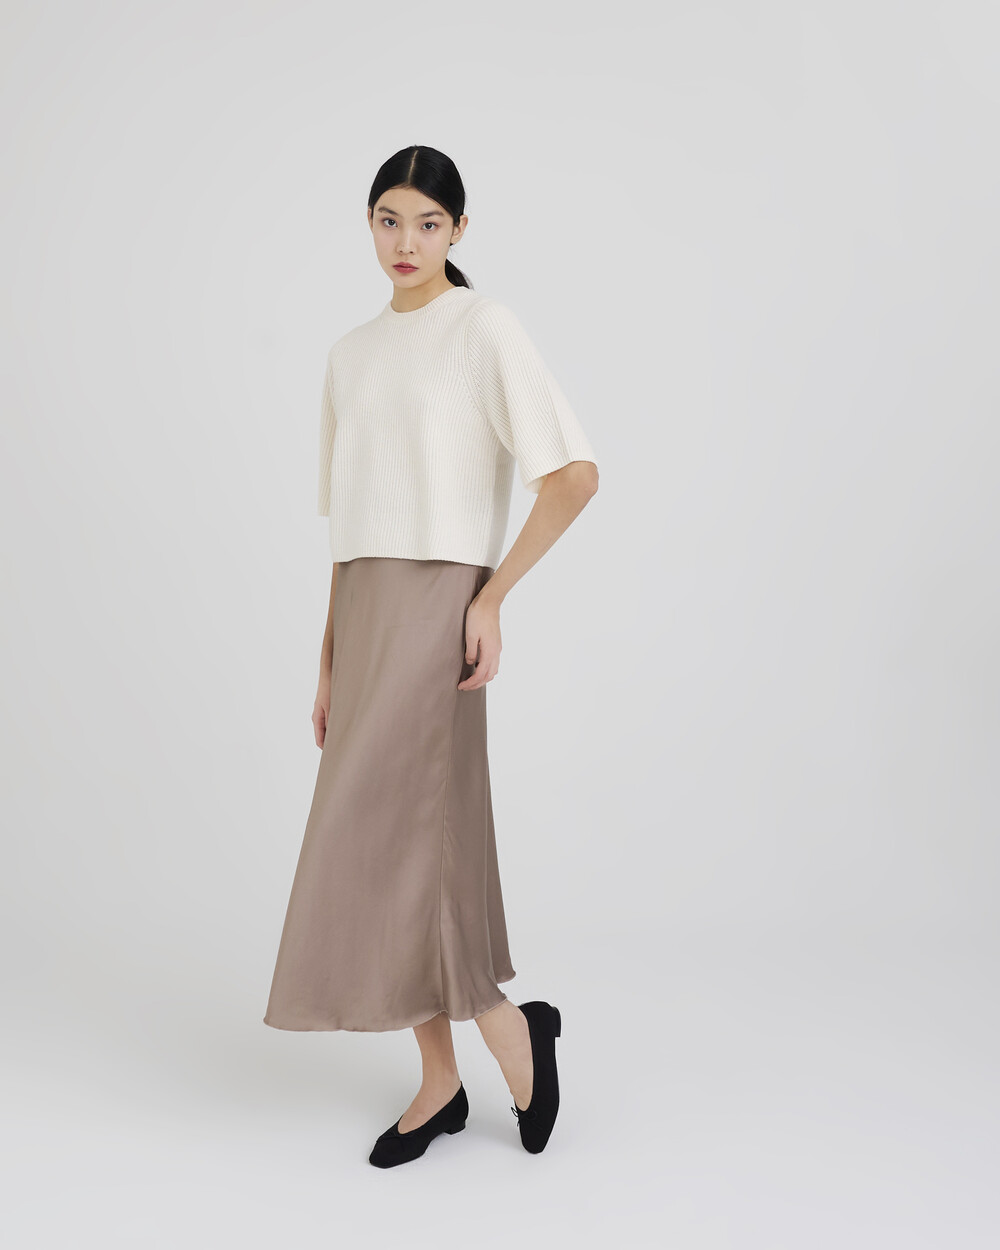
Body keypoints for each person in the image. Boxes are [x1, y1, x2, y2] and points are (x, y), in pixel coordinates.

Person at [263, 145, 599, 1168]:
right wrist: (328, 657)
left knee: (413, 834)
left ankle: (506, 1029)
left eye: (426, 222)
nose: (404, 242)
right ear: (368, 224)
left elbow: (573, 476)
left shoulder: (483, 328)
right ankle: (443, 1077)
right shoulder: (349, 355)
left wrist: (489, 596)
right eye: (386, 219)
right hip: (365, 607)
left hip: (439, 603)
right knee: (380, 844)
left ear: (458, 230)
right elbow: (348, 527)